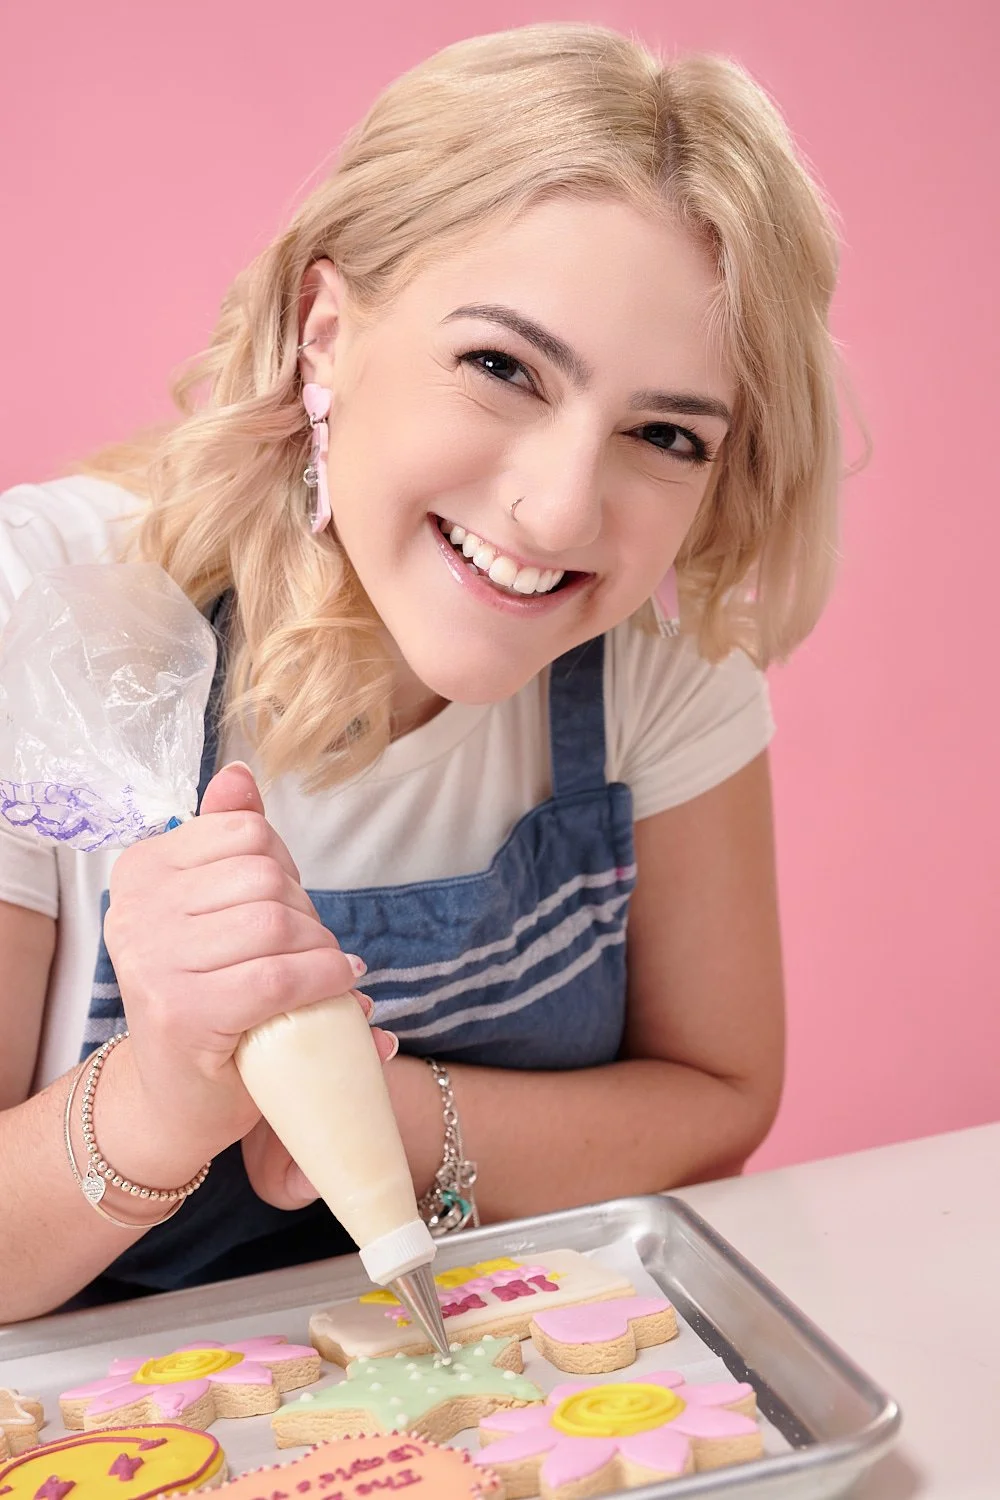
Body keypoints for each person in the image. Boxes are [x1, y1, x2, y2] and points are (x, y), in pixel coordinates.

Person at [0, 21, 843, 1322]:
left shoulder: (658, 666)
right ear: (326, 332)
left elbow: (716, 1108)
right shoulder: (49, 617)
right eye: (502, 368)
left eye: (665, 434)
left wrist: (378, 1116)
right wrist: (163, 1099)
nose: (562, 511)